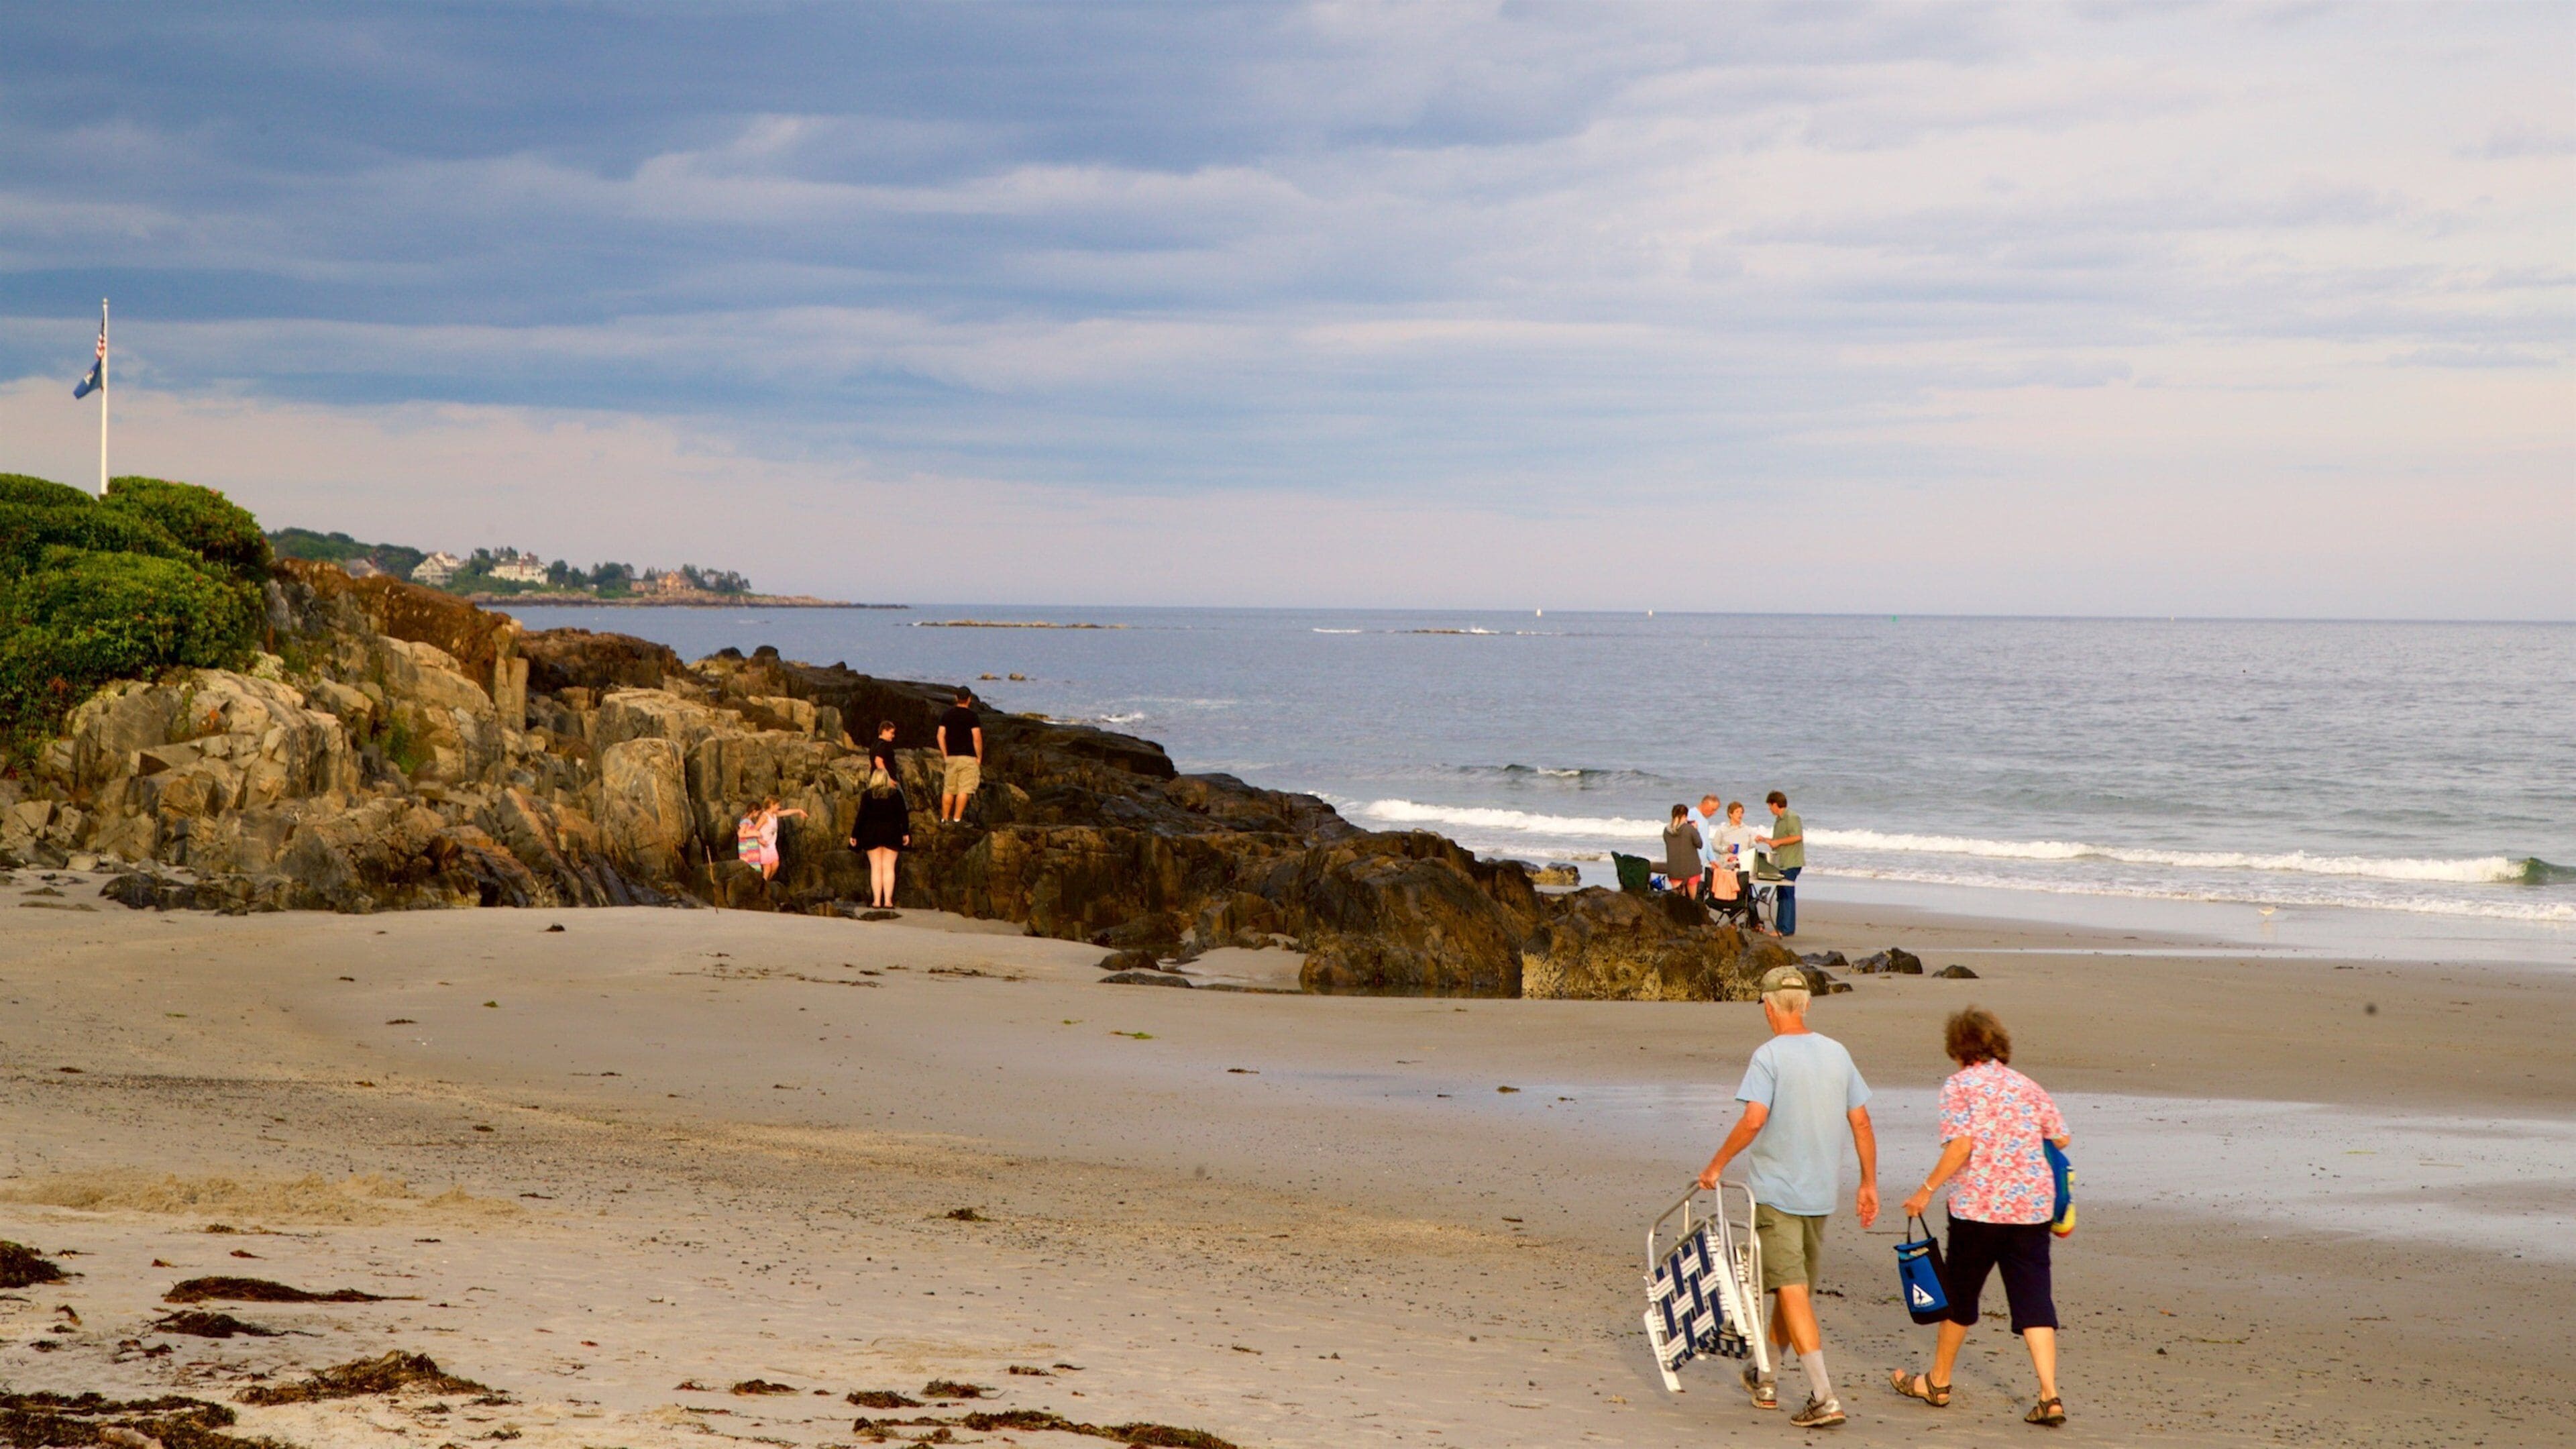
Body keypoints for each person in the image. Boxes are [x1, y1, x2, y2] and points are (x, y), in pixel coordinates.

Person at [1697, 964, 1879, 1428]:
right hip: (1821, 1194)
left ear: (1769, 1007)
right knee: (1790, 1289)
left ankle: (1824, 1396)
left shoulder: (1768, 1055)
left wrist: (1717, 1164)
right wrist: (1868, 1182)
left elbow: (1755, 1119)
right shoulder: (1837, 1053)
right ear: (1808, 1004)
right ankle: (1766, 1377)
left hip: (1777, 1195)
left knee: (1792, 1291)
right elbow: (1860, 1122)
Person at [1892, 1008, 2072, 1428]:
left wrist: (1925, 1191)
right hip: (2032, 1207)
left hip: (1979, 1208)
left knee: (1961, 1295)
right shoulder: (2026, 1085)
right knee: (2034, 1299)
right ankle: (2050, 1394)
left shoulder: (1959, 1086)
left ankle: (1938, 1383)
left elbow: (1961, 1147)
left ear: (1958, 1048)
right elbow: (2060, 1136)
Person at [848, 721, 912, 909]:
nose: (894, 735)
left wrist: (854, 835)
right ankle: (889, 901)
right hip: (892, 833)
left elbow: (861, 817)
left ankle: (877, 901)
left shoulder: (868, 795)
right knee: (889, 868)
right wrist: (906, 833)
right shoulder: (895, 794)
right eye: (892, 732)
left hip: (871, 833)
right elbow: (903, 815)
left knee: (876, 868)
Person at [1757, 790, 1806, 936]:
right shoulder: (1778, 820)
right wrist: (1766, 840)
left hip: (1791, 862)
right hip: (1782, 862)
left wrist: (1777, 842)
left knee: (1787, 894)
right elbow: (1778, 842)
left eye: (1770, 806)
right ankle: (1781, 926)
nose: (1769, 809)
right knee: (1782, 895)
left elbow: (1797, 837)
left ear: (1775, 804)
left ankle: (1786, 929)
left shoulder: (1792, 817)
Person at [936, 688, 985, 823]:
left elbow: (940, 736)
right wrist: (979, 756)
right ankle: (957, 819)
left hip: (951, 757)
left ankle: (944, 819)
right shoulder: (972, 716)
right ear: (969, 699)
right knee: (964, 789)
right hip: (968, 757)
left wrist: (945, 754)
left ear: (956, 698)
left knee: (949, 789)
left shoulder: (947, 714)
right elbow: (977, 738)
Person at [734, 796, 806, 883]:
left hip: (771, 845)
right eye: (777, 805)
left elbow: (786, 812)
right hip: (763, 844)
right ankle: (763, 886)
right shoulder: (764, 816)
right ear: (772, 805)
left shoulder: (775, 814)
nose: (779, 807)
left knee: (776, 865)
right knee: (767, 868)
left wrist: (799, 811)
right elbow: (755, 829)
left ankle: (765, 883)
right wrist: (760, 840)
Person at [1714, 800, 1762, 906]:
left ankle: (1755, 921)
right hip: (1727, 866)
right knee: (1729, 893)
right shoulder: (1722, 830)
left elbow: (1752, 846)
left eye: (1741, 812)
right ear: (1730, 814)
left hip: (1742, 866)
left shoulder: (1747, 830)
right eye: (1737, 812)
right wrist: (1726, 849)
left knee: (1747, 892)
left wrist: (1756, 841)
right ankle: (1733, 919)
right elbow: (1715, 846)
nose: (1740, 815)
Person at [1662, 805, 1703, 899]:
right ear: (1685, 816)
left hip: (1674, 869)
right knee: (1692, 902)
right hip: (1691, 869)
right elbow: (1699, 844)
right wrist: (1696, 830)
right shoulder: (1689, 829)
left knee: (1678, 902)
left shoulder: (1666, 831)